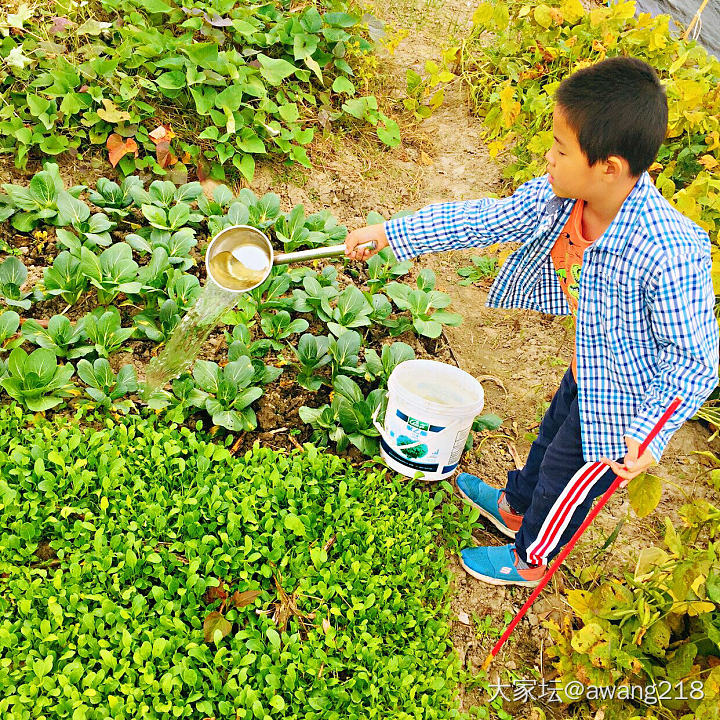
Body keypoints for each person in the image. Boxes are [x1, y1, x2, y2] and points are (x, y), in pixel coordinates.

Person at [344, 57, 719, 587]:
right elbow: (482, 219)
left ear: (608, 166)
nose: (548, 157)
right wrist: (392, 234)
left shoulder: (670, 250)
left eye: (561, 150)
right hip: (587, 364)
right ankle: (516, 504)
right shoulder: (561, 198)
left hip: (622, 408)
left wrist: (647, 437)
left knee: (566, 479)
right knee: (546, 444)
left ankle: (530, 558)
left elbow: (695, 363)